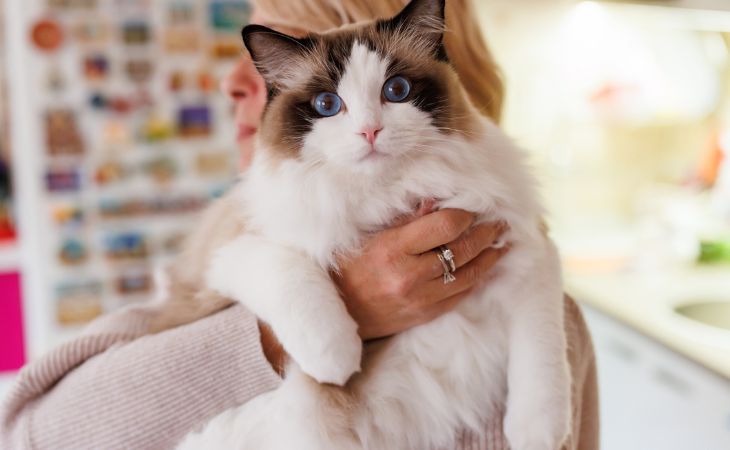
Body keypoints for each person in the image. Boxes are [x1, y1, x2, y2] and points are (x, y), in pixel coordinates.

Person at [0, 1, 599, 449]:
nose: (233, 81)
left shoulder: (542, 312)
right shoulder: (235, 242)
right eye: (275, 77)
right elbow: (33, 434)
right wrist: (286, 329)